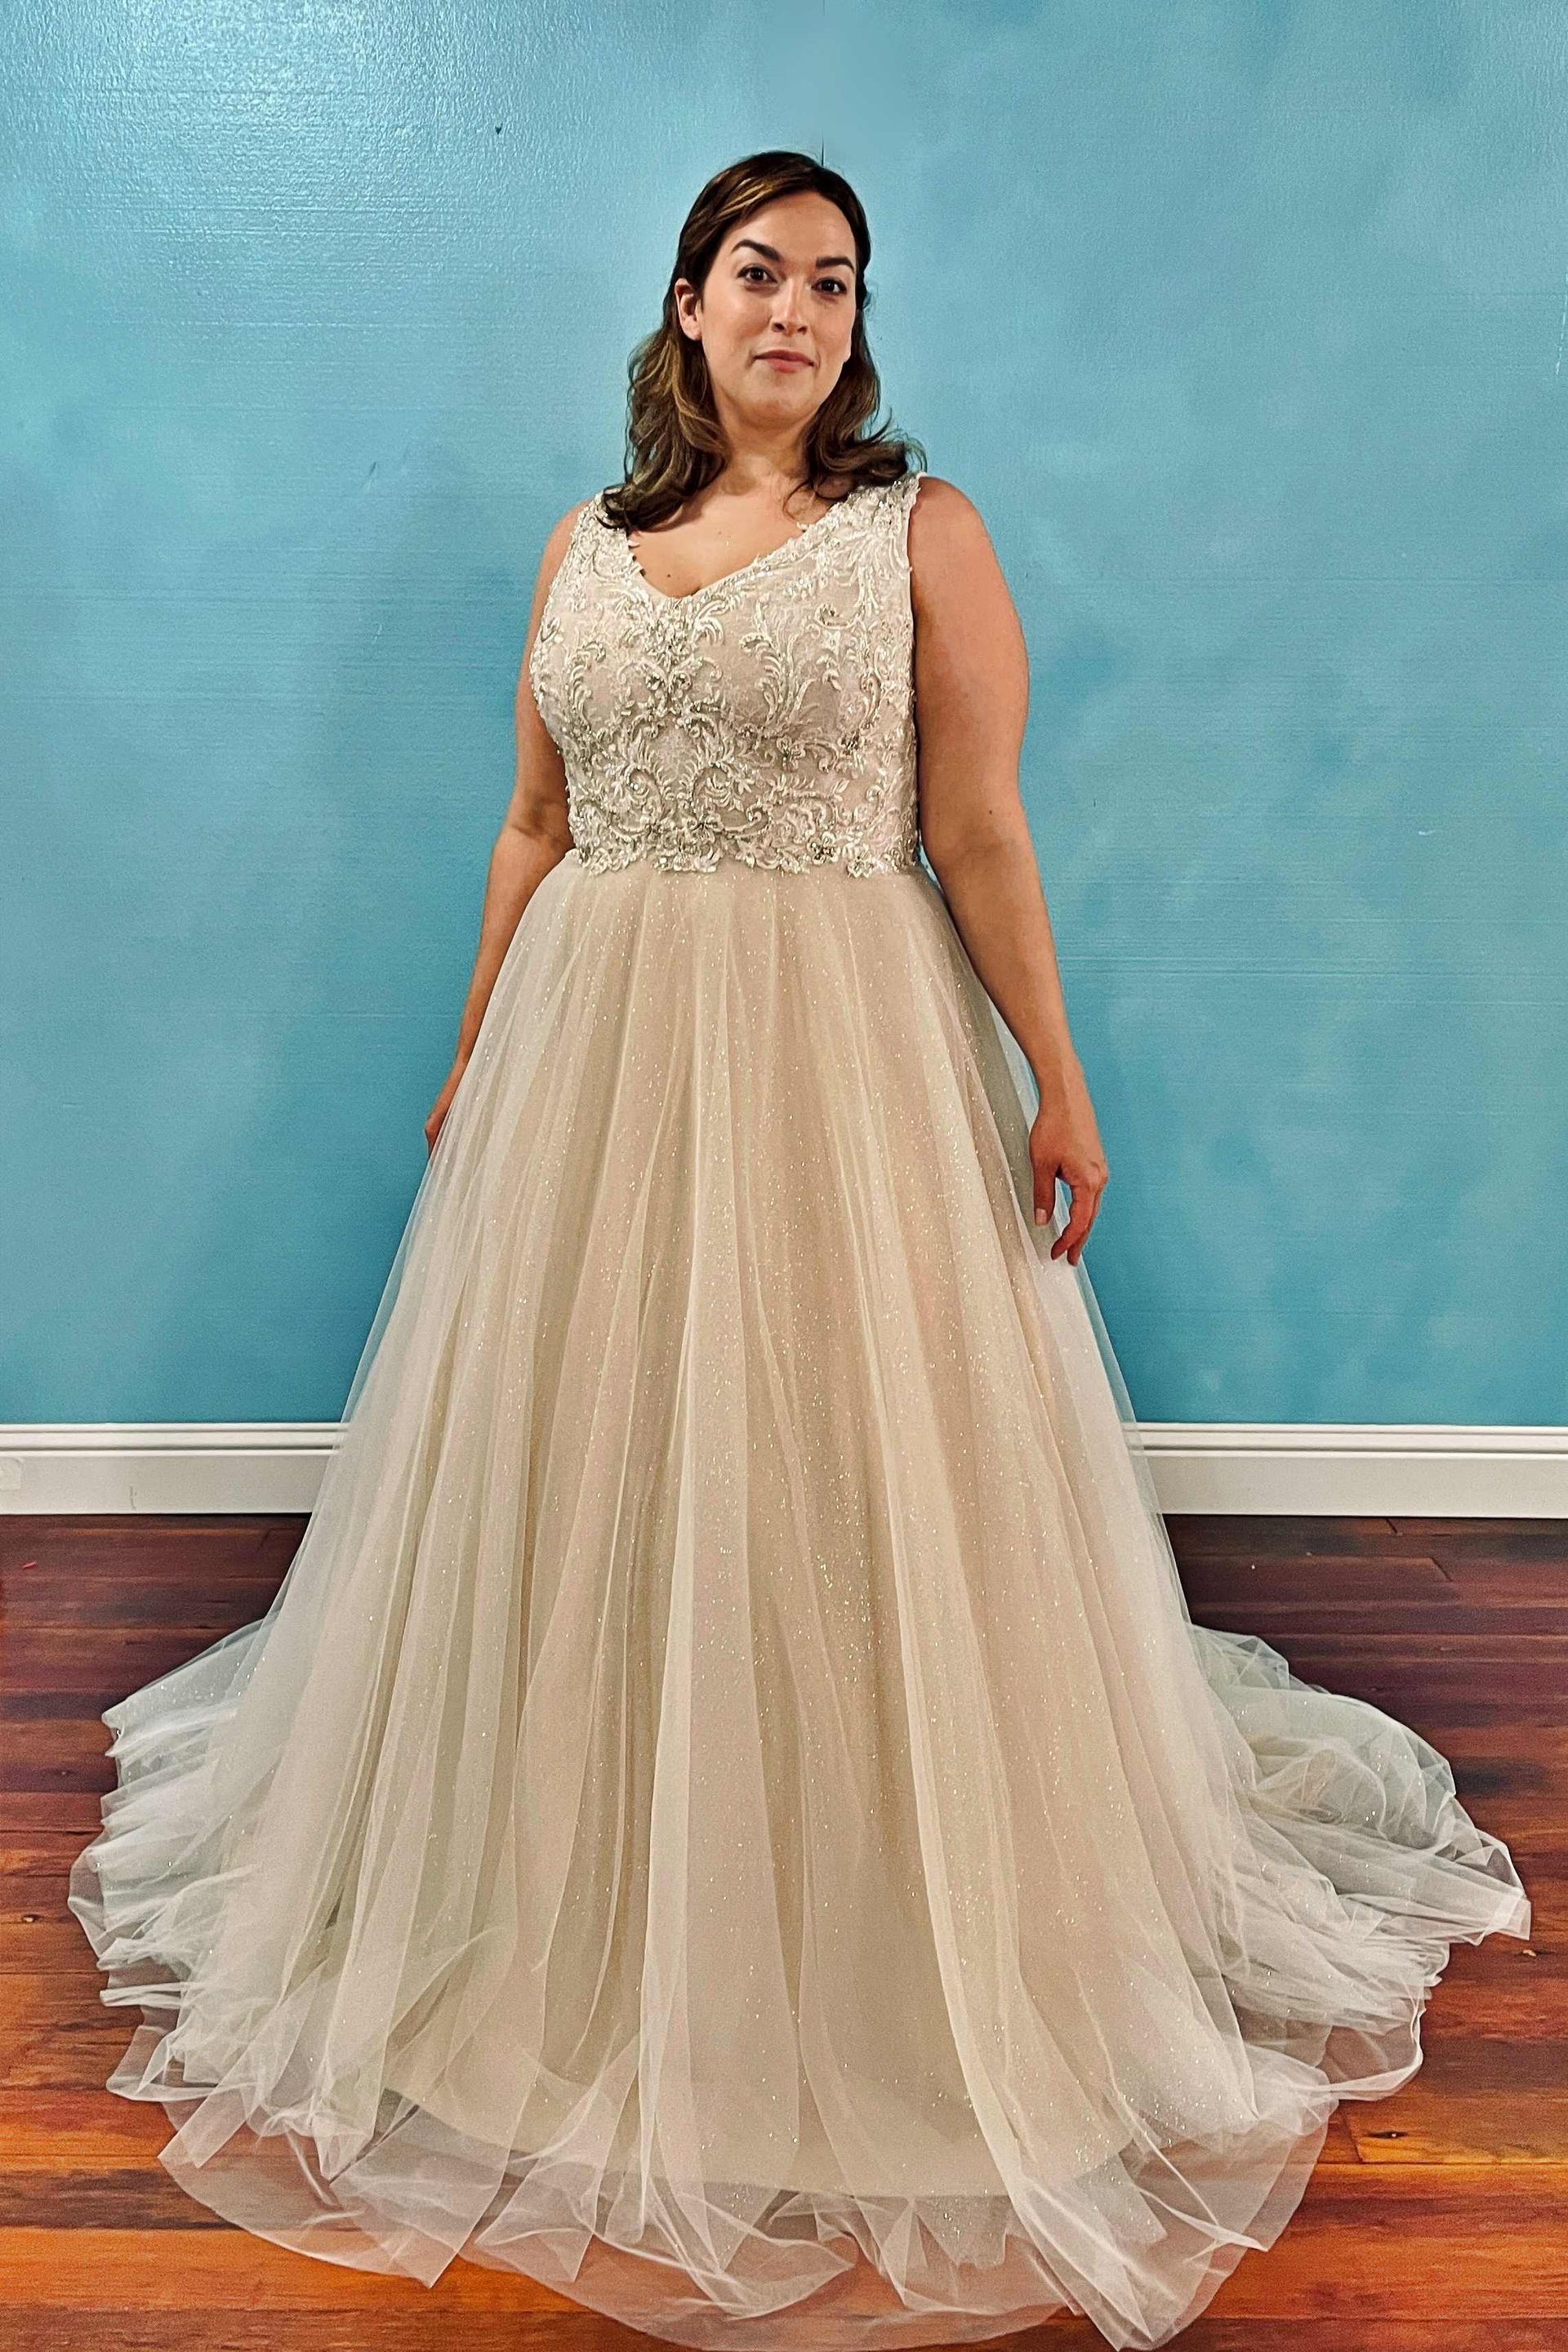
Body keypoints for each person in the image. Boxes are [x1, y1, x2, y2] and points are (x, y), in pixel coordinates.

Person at [69, 149, 1531, 2352]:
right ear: (687, 302)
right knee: (593, 1462)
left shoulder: (919, 535)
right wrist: (475, 1057)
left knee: (844, 1464)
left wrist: (1059, 1080)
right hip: (592, 1054)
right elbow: (533, 822)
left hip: (840, 1048)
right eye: (759, 273)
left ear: (858, 323)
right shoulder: (583, 544)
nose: (795, 313)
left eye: (834, 284)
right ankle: (575, 1877)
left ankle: (860, 1902)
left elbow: (979, 826)